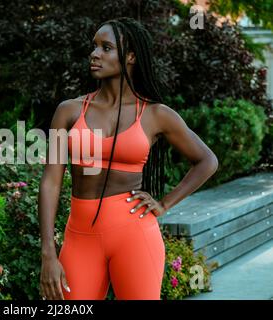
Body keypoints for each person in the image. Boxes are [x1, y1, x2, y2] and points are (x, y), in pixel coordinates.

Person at [38, 17, 218, 300]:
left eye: (106, 48)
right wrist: (48, 251)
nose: (95, 54)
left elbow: (207, 161)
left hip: (135, 235)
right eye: (94, 47)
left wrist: (164, 203)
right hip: (80, 237)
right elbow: (50, 182)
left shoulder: (156, 114)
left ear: (130, 56)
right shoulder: (69, 111)